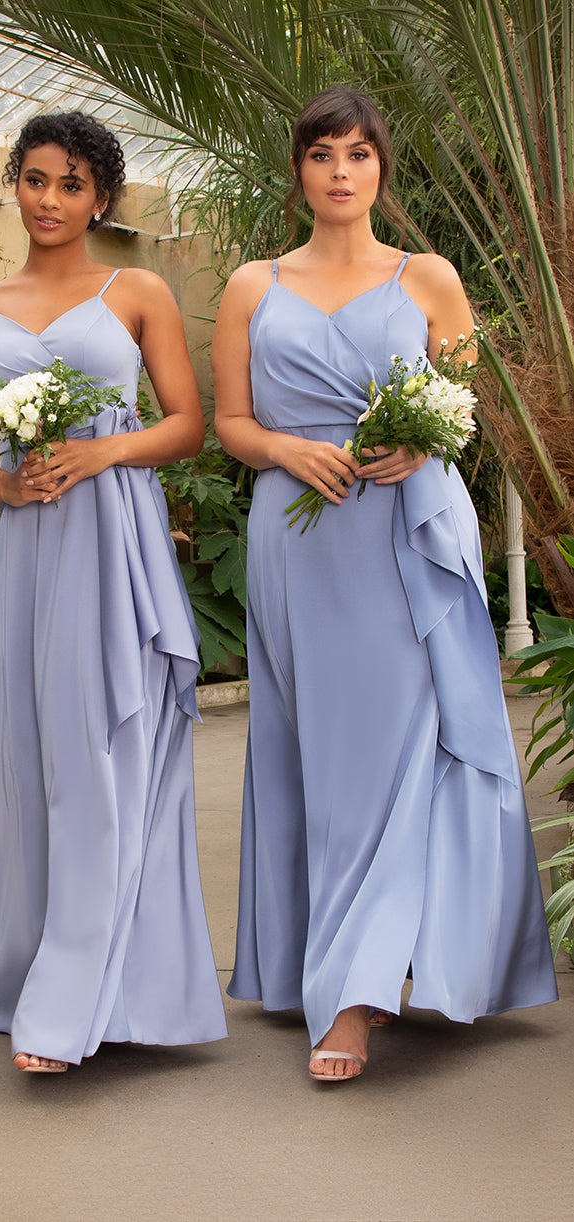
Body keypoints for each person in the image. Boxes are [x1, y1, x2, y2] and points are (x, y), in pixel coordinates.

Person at [212, 85, 558, 1083]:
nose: (339, 171)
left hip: (403, 536)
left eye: (357, 154)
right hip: (298, 540)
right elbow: (229, 421)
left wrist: (421, 443)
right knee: (320, 754)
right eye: (321, 154)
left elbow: (461, 408)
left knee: (404, 747)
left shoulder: (428, 277)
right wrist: (284, 448)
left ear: (380, 168)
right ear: (297, 170)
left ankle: (356, 993)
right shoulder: (251, 285)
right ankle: (341, 958)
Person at [0, 111, 227, 1072]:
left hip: (115, 536)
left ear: (100, 198)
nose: (50, 200)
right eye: (35, 179)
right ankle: (37, 975)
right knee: (34, 753)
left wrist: (102, 450)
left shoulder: (136, 290)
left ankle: (78, 1002)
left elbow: (186, 424)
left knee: (108, 746)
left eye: (71, 184)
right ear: (14, 185)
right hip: (32, 541)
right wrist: (4, 484)